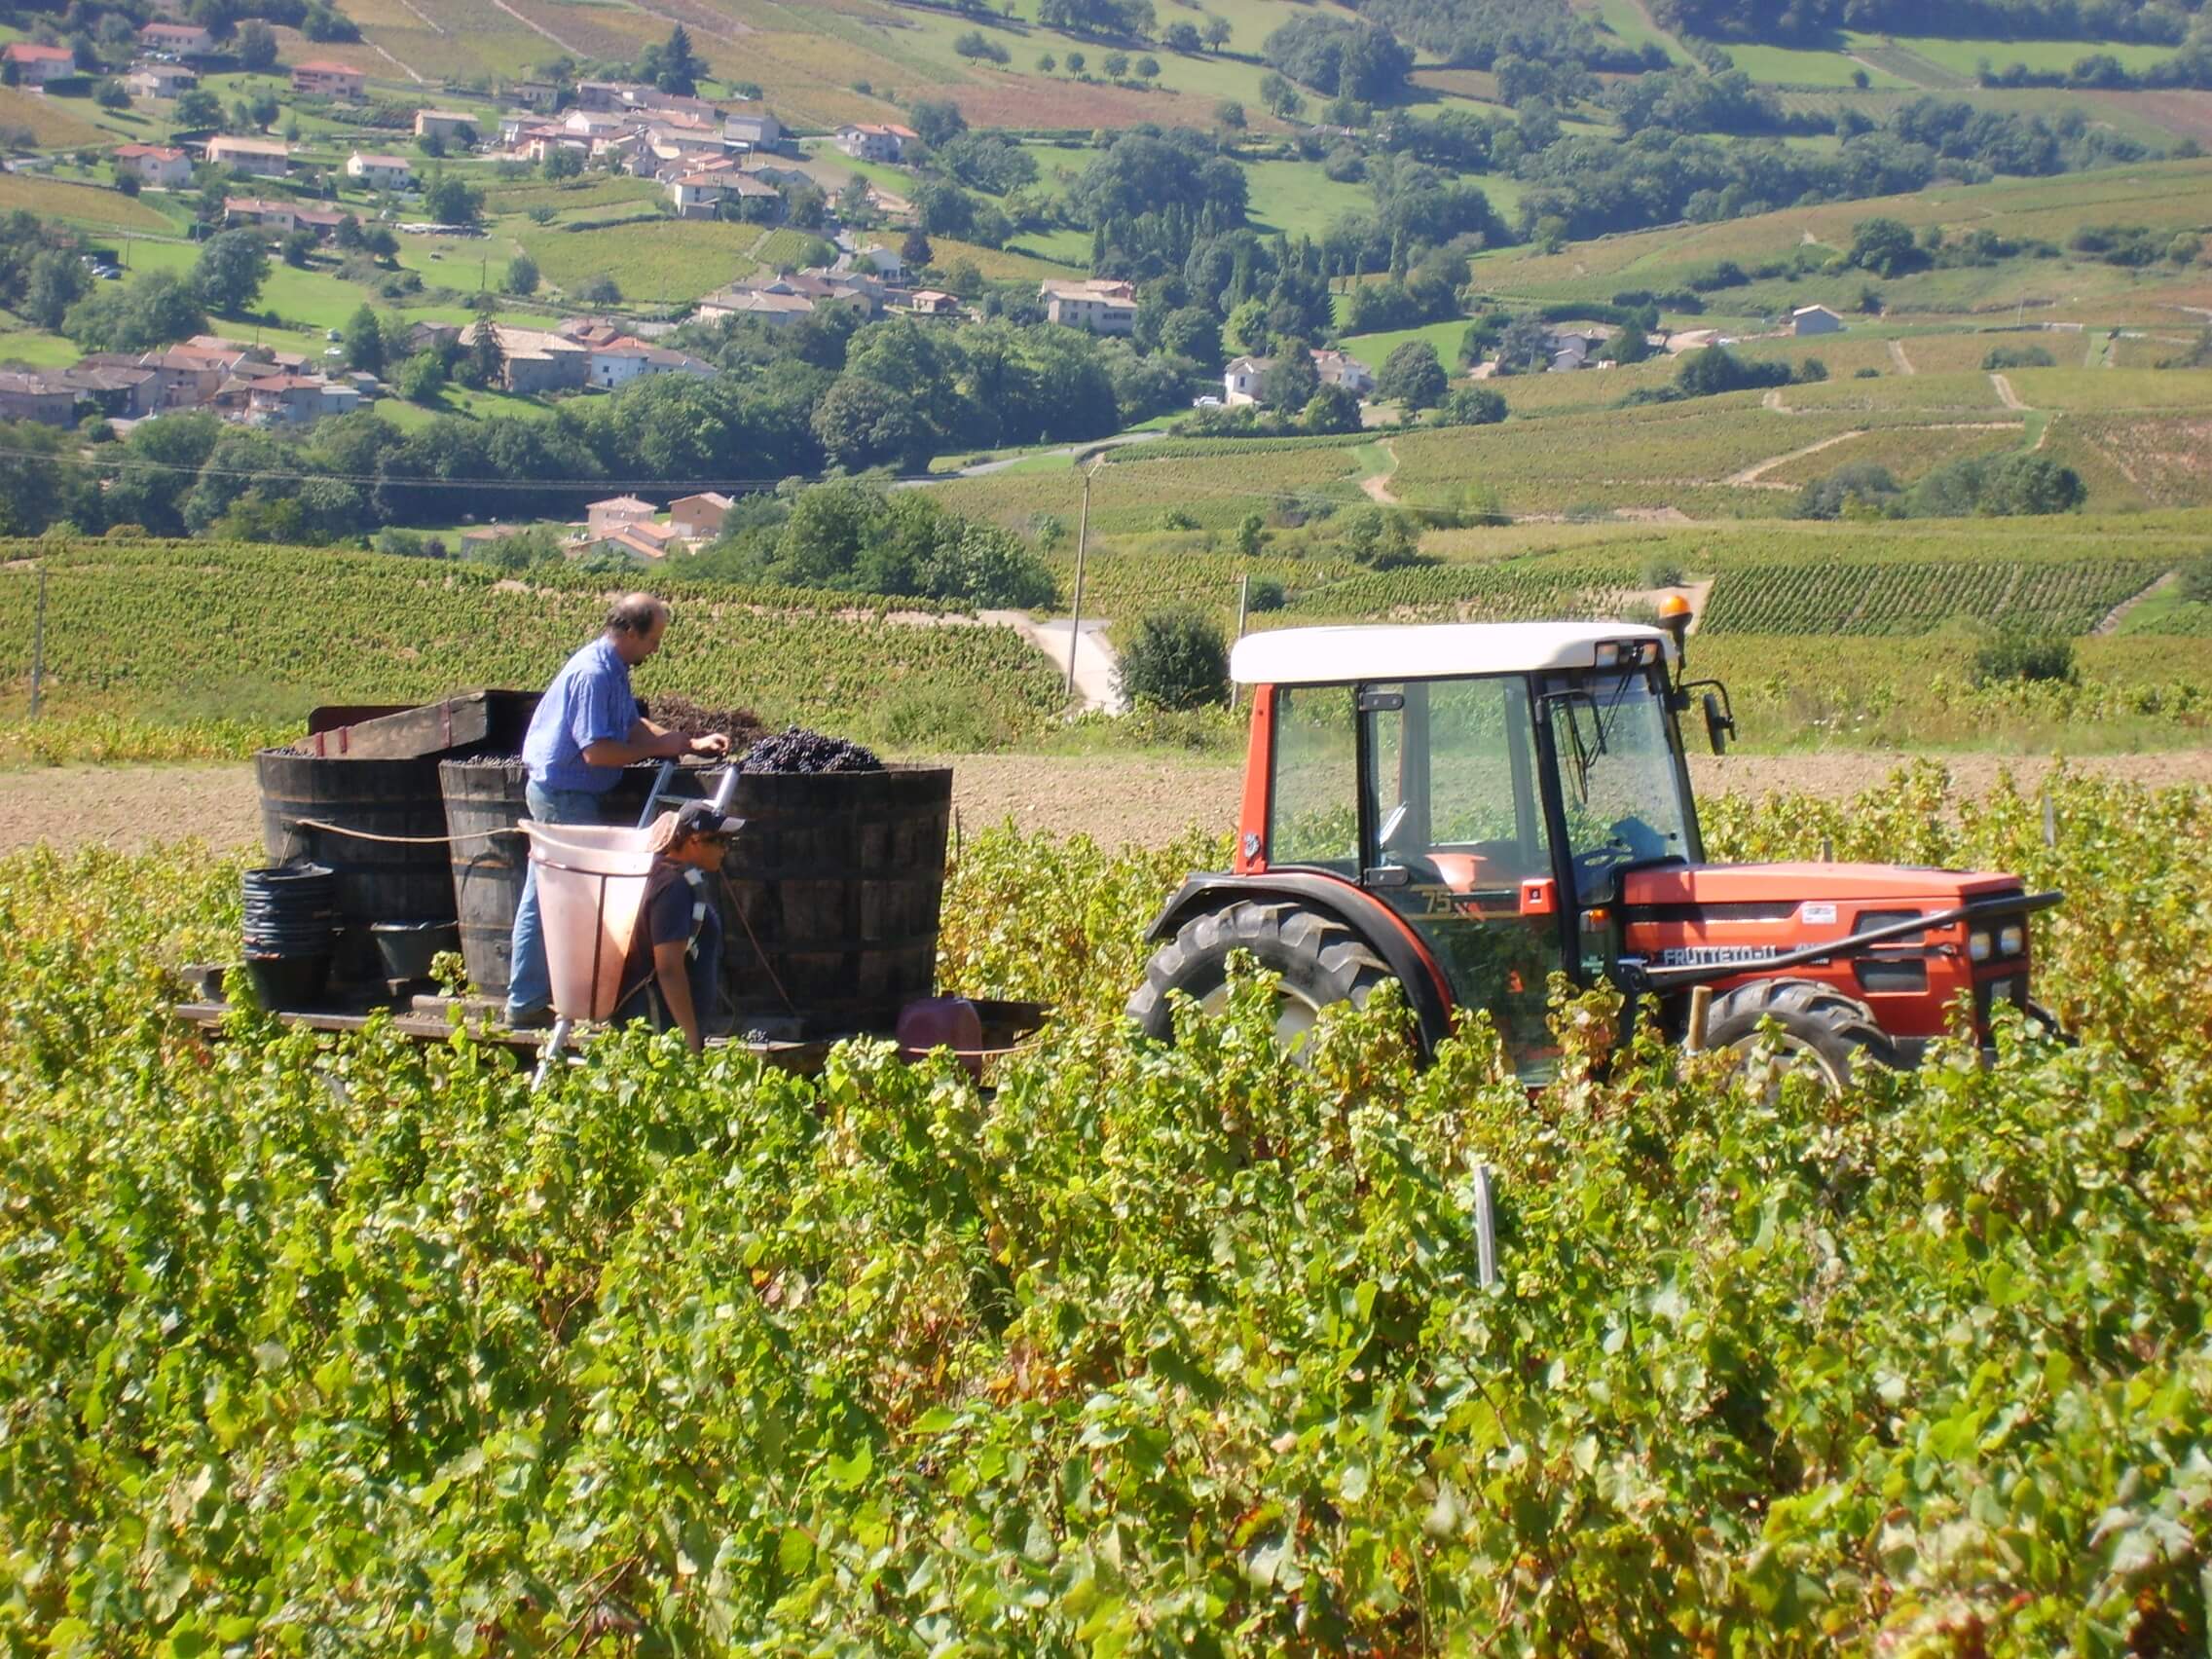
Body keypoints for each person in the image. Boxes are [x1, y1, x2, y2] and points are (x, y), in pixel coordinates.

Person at [504, 594, 729, 1028]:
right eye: (653, 640)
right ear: (629, 632)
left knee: (548, 893)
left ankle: (529, 998)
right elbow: (597, 751)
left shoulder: (613, 669)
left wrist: (685, 741)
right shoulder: (593, 674)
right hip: (564, 796)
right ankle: (535, 1000)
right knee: (558, 899)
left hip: (572, 794)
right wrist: (657, 748)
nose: (656, 650)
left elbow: (630, 726)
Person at [619, 798, 734, 1052]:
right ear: (694, 840)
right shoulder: (673, 887)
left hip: (661, 1020)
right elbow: (668, 967)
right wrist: (690, 1036)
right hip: (659, 1024)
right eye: (720, 841)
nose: (724, 849)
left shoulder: (666, 875)